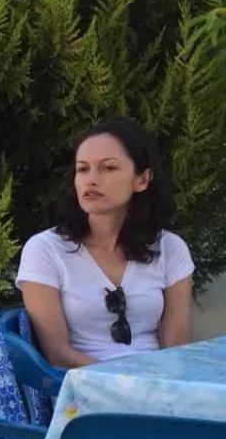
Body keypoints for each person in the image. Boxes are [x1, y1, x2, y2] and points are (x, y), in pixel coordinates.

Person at [16, 117, 194, 368]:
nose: (91, 180)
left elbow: (176, 348)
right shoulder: (45, 250)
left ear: (142, 180)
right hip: (84, 385)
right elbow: (57, 353)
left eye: (108, 168)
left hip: (158, 382)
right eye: (82, 169)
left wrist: (155, 383)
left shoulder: (170, 248)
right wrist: (123, 382)